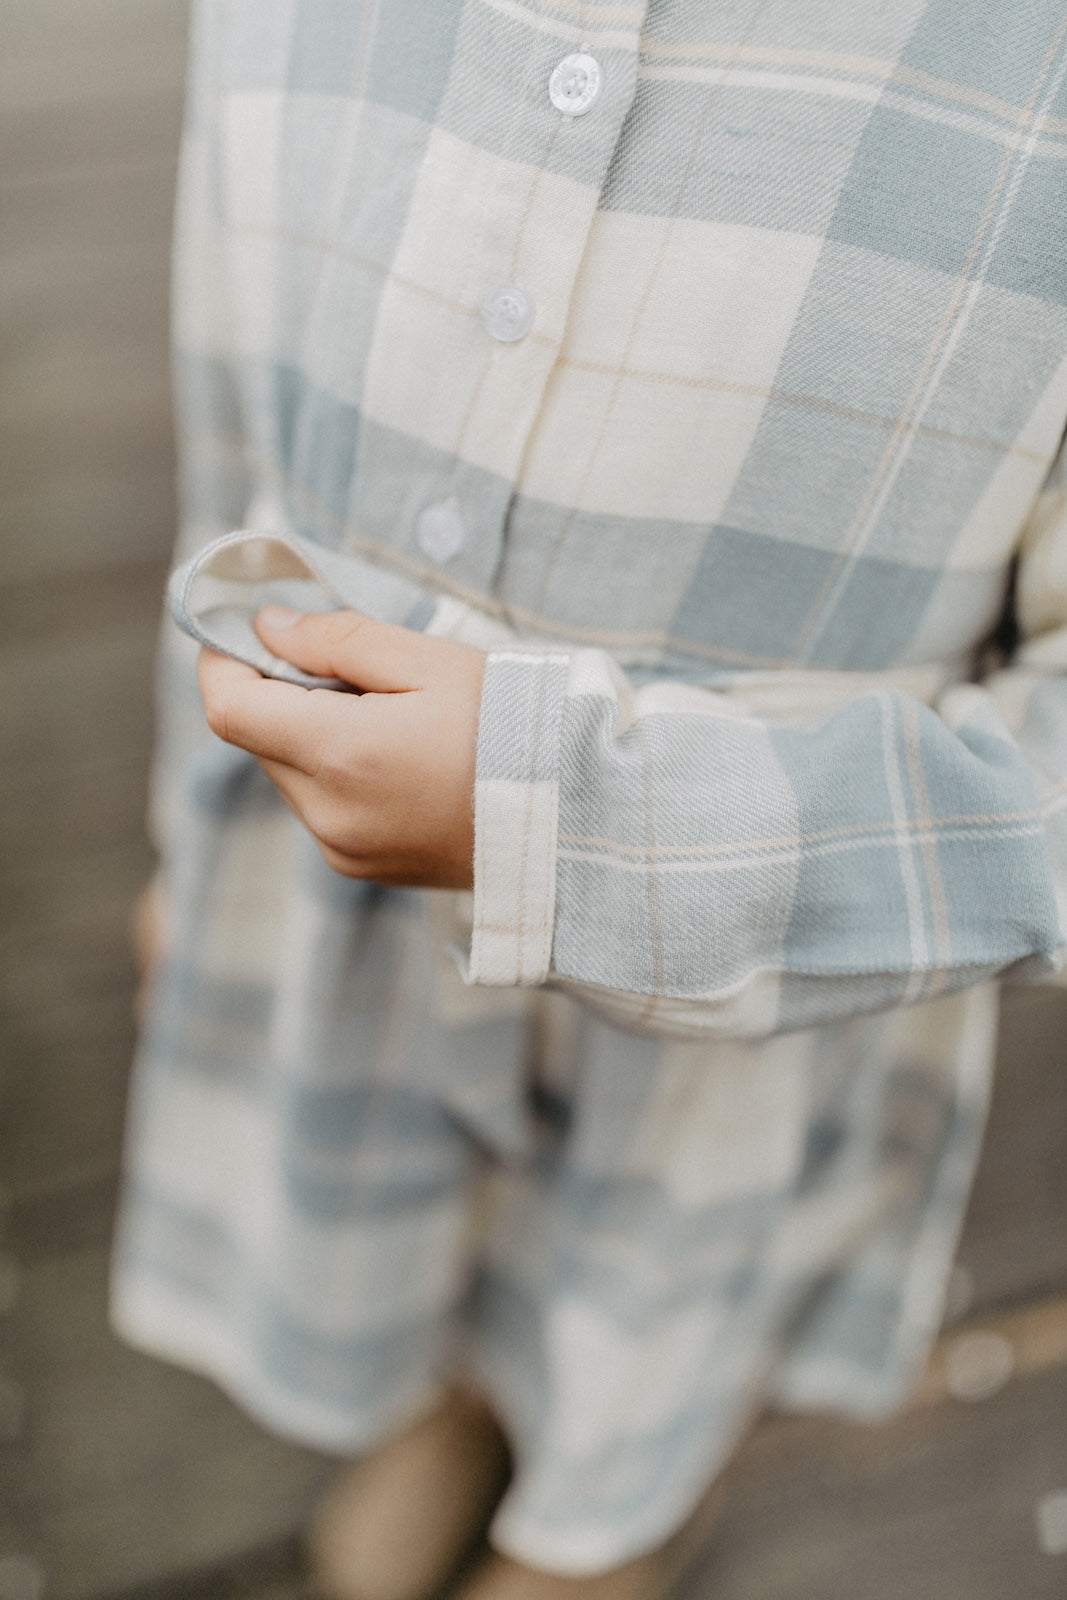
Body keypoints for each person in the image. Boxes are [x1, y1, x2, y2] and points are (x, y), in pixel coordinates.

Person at [114, 2, 1067, 1597]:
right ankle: (448, 1396)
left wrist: (592, 825)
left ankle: (605, 1516)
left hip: (761, 975)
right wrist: (175, 829)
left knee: (649, 1331)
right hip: (333, 916)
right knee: (406, 1254)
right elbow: (238, 433)